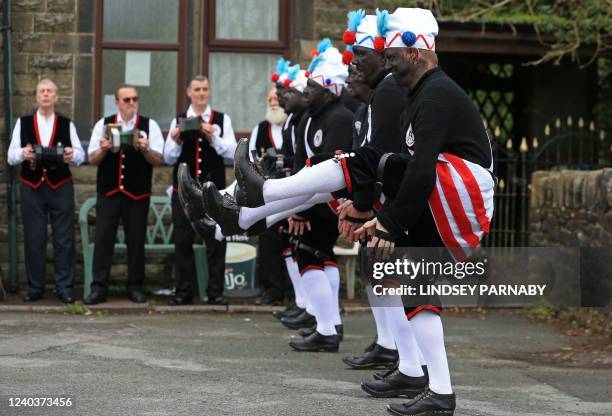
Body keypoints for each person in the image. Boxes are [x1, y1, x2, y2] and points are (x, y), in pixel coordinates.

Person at [199, 8, 494, 415]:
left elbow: (421, 167)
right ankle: (438, 390)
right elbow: (410, 167)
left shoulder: (435, 94)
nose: (382, 63)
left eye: (390, 55)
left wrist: (386, 220)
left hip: (462, 195)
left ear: (415, 52)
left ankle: (260, 196)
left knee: (371, 162)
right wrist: (377, 215)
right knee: (412, 284)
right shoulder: (413, 93)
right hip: (442, 194)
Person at [204, 39, 354, 353]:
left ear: (327, 89)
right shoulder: (311, 119)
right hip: (314, 197)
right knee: (309, 254)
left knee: (313, 253)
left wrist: (301, 209)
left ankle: (327, 325)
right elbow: (302, 165)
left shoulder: (335, 118)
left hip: (324, 202)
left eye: (307, 88)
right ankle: (323, 321)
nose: (295, 94)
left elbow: (329, 169)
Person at [84, 84, 164, 305]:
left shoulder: (150, 125)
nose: (131, 103)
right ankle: (99, 287)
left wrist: (146, 148)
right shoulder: (104, 124)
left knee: (136, 241)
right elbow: (91, 159)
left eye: (134, 99)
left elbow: (159, 159)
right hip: (109, 192)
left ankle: (136, 286)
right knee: (103, 240)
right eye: (126, 100)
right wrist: (104, 147)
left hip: (136, 194)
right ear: (117, 102)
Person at [7, 79, 85, 304]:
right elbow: (11, 156)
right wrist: (24, 153)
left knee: (64, 239)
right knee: (34, 238)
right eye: (42, 91)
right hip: (32, 186)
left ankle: (64, 287)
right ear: (36, 97)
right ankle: (35, 287)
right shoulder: (23, 123)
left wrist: (71, 154)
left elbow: (81, 155)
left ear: (57, 97)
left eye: (50, 91)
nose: (46, 95)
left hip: (60, 185)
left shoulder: (66, 124)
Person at [163, 75, 237, 306]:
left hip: (212, 190)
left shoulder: (221, 120)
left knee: (216, 240)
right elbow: (167, 158)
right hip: (183, 192)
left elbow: (233, 152)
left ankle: (215, 292)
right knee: (182, 240)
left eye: (205, 89)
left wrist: (212, 137)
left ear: (209, 92)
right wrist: (176, 139)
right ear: (189, 92)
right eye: (197, 89)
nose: (201, 93)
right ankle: (183, 292)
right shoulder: (179, 120)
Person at [249, 86, 291, 305]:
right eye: (270, 99)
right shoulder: (260, 129)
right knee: (268, 239)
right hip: (269, 194)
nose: (273, 103)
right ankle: (272, 288)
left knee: (292, 239)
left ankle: (293, 290)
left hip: (294, 192)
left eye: (276, 98)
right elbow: (252, 159)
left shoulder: (294, 125)